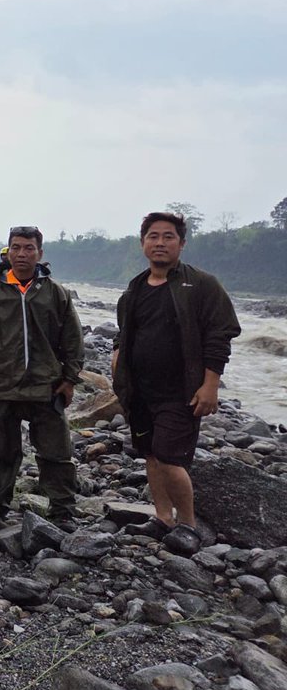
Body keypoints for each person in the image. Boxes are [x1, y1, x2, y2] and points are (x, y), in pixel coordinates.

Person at [112, 212, 241, 554]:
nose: (160, 243)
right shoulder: (136, 288)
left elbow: (221, 334)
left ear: (182, 244)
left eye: (168, 237)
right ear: (143, 244)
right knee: (151, 455)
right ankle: (162, 518)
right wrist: (116, 353)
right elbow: (126, 331)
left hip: (181, 392)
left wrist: (210, 384)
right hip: (140, 391)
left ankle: (189, 525)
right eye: (153, 236)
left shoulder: (200, 285)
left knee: (170, 457)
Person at [0, 226, 83, 528]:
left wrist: (70, 378)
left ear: (40, 253)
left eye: (29, 248)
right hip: (3, 385)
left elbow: (72, 338)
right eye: (16, 247)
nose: (22, 254)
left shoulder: (55, 293)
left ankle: (63, 510)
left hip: (46, 386)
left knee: (56, 453)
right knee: (1, 450)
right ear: (7, 251)